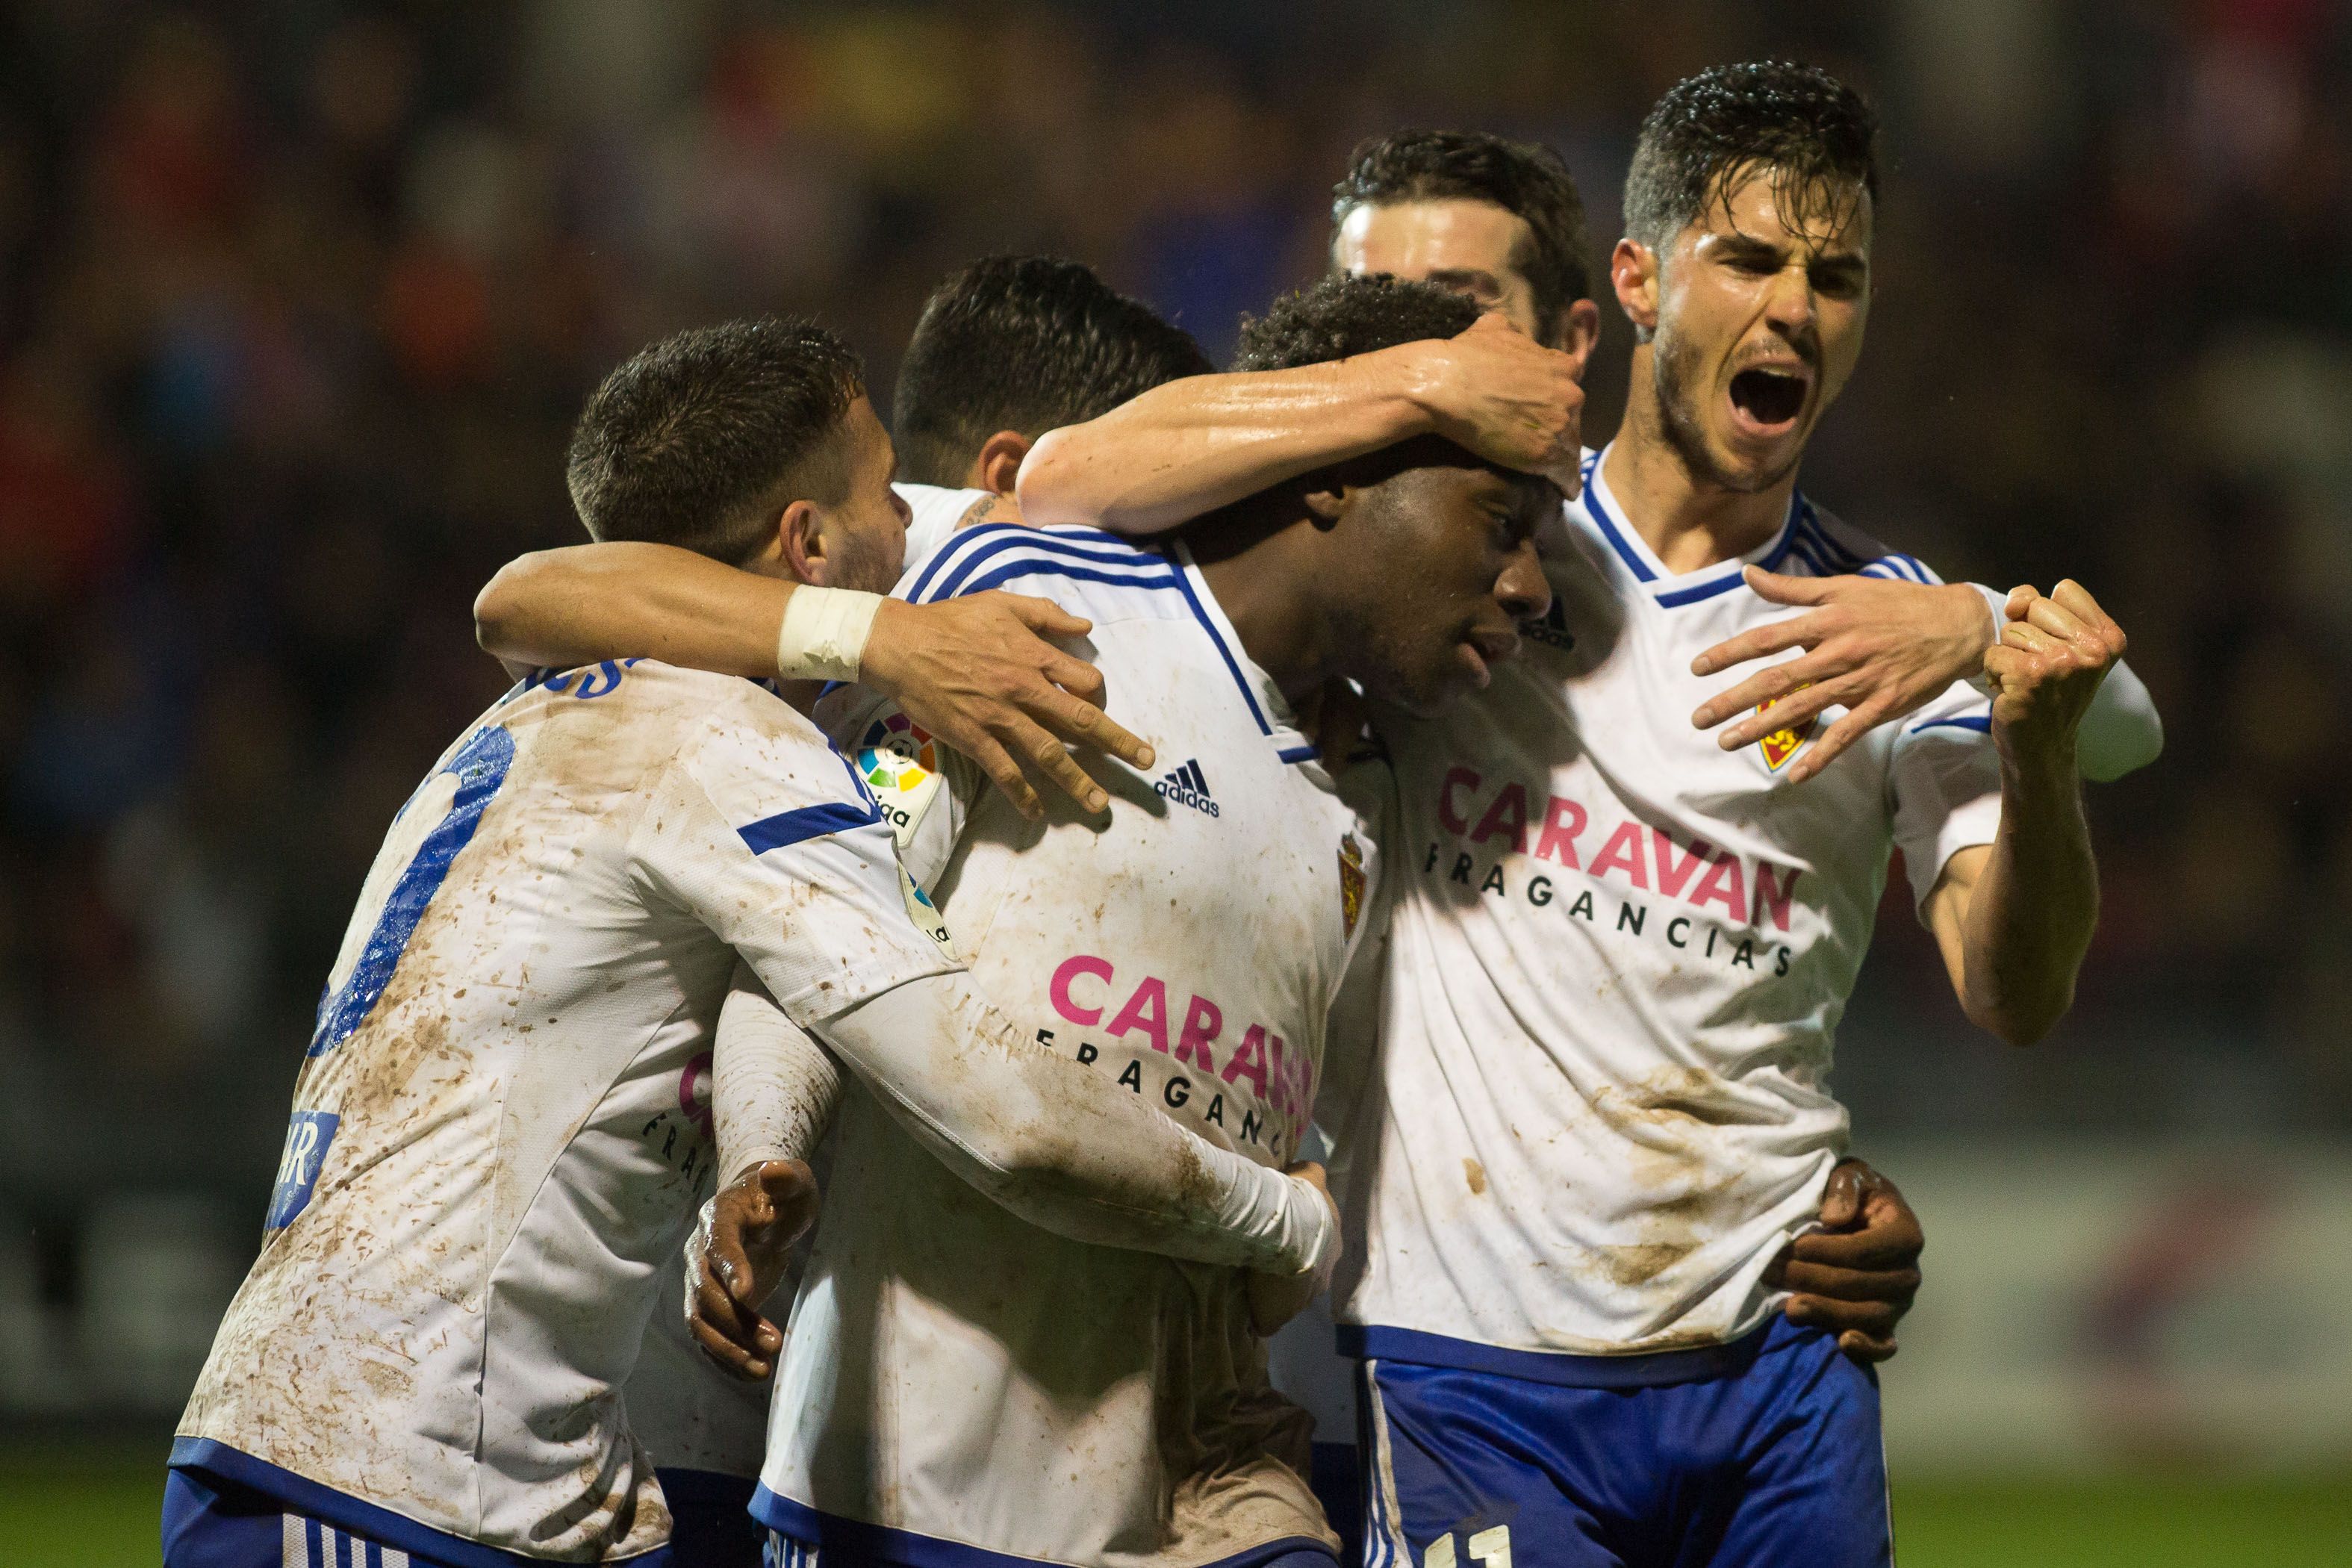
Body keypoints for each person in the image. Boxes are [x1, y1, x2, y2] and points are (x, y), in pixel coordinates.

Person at [1016, 67, 2146, 1567]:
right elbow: (1066, 480)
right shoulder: (1470, 568)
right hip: (1472, 1357)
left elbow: (2015, 988)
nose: (1796, 307)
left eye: (1837, 276)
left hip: (1781, 1355)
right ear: (1637, 278)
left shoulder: (1883, 628)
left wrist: (2029, 713)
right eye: (1748, 259)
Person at [164, 318, 1341, 1568]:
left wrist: (762, 1154)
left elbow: (521, 597)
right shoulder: (734, 749)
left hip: (440, 1460)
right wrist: (1286, 1219)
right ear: (807, 542)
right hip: (392, 1478)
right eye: (887, 491)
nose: (910, 527)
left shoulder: (521, 721)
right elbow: (1001, 1108)